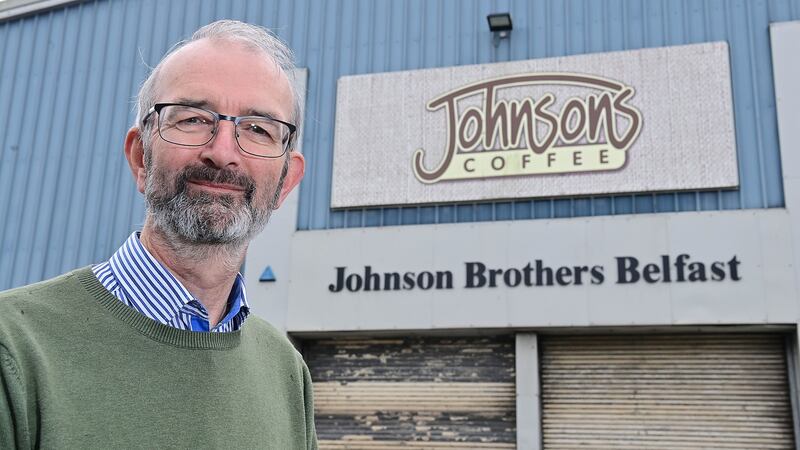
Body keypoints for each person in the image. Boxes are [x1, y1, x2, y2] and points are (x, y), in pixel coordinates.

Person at [0, 20, 317, 449]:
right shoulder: (14, 349)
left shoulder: (286, 371)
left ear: (285, 182)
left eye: (258, 128)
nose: (223, 152)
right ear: (140, 157)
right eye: (192, 119)